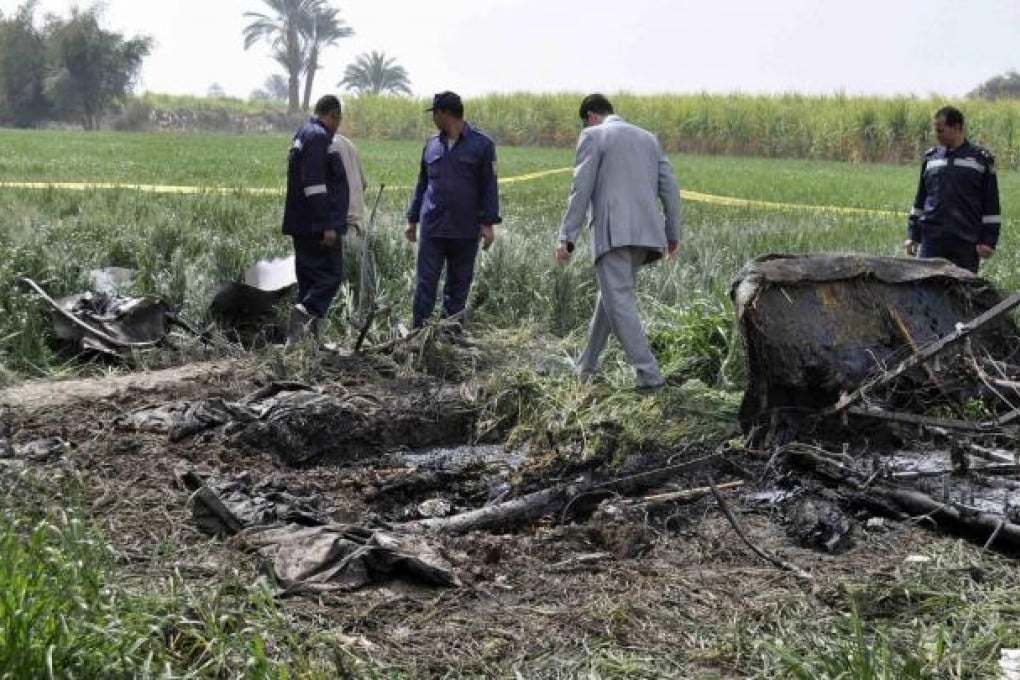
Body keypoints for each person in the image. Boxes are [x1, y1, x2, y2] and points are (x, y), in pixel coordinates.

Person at [556, 93, 682, 391]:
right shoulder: (649, 139)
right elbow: (671, 188)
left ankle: (649, 376)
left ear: (590, 116)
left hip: (613, 234)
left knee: (619, 301)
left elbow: (580, 189)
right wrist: (672, 233)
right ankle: (586, 366)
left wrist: (566, 237)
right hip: (647, 236)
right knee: (611, 297)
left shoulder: (593, 136)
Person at [405, 91, 501, 331]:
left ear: (445, 113)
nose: (433, 118)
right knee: (425, 284)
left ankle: (450, 338)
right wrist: (412, 219)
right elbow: (422, 184)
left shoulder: (482, 145)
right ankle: (419, 334)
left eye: (435, 113)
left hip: (464, 230)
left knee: (458, 287)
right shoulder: (431, 145)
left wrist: (488, 224)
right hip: (433, 228)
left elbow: (489, 185)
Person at [282, 94, 350, 344]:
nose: (337, 126)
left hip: (302, 224)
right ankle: (304, 313)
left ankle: (302, 344)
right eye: (338, 120)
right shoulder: (319, 137)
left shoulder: (303, 133)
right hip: (316, 227)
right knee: (331, 276)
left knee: (309, 282)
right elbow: (316, 186)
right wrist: (327, 225)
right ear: (333, 115)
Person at [904, 106, 1001, 273]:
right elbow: (921, 199)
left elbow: (991, 204)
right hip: (932, 240)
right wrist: (913, 234)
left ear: (956, 127)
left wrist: (988, 240)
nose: (936, 135)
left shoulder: (981, 159)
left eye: (940, 130)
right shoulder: (931, 158)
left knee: (962, 287)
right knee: (924, 285)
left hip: (966, 242)